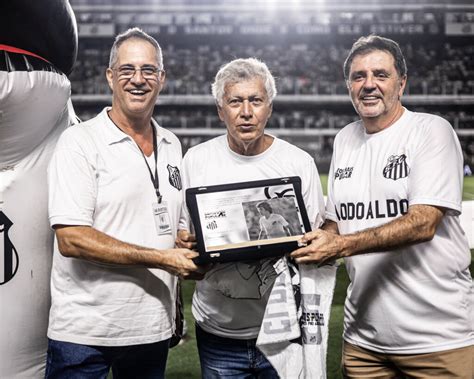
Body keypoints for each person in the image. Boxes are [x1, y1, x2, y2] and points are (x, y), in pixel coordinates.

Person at [292, 35, 473, 378]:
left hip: (438, 340)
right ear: (348, 85)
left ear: (401, 83)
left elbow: (423, 223)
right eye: (359, 76)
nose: (369, 84)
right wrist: (311, 239)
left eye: (380, 74)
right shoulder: (345, 138)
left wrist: (342, 245)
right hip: (363, 342)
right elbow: (338, 220)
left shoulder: (430, 130)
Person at [45, 27, 202, 378]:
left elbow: (170, 223)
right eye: (127, 70)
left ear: (161, 79)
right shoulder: (79, 142)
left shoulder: (173, 144)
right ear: (110, 77)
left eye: (148, 70)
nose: (138, 79)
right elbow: (71, 238)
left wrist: (184, 242)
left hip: (151, 329)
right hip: (84, 333)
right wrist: (162, 258)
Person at [177, 58, 325, 378]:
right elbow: (184, 239)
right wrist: (190, 252)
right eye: (235, 101)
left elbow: (316, 242)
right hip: (219, 333)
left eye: (256, 100)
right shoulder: (195, 160)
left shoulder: (299, 163)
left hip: (284, 332)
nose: (246, 112)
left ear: (269, 107)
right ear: (220, 110)